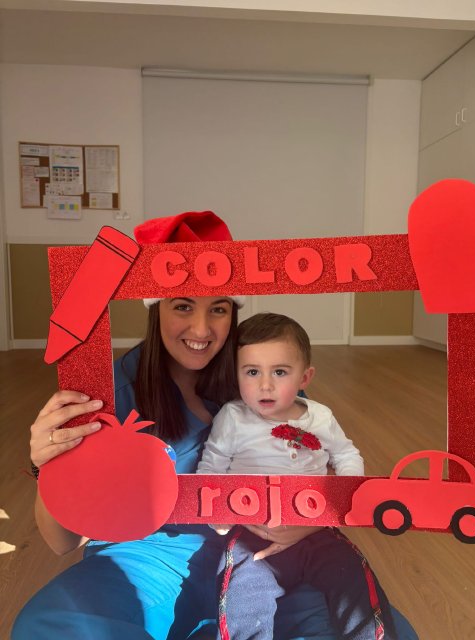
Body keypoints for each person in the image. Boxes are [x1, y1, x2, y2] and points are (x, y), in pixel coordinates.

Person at [13, 212, 418, 640]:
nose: (201, 329)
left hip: (265, 551)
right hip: (152, 557)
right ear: (157, 309)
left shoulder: (261, 380)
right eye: (183, 305)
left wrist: (313, 520)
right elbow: (63, 541)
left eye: (219, 309)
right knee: (51, 628)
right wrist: (51, 466)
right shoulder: (107, 394)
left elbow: (324, 464)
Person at [197, 312, 398, 640]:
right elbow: (211, 468)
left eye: (280, 372)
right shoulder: (232, 417)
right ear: (236, 375)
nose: (265, 385)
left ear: (305, 377)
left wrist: (342, 499)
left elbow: (347, 455)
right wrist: (218, 514)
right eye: (252, 372)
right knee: (243, 593)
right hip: (253, 533)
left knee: (353, 577)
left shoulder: (320, 417)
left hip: (316, 528)